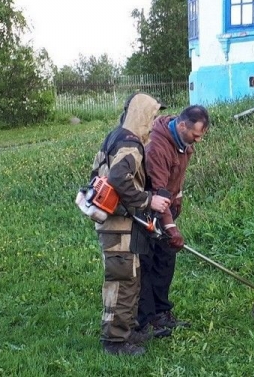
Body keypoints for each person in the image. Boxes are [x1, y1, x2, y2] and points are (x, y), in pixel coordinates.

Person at [89, 92, 171, 356]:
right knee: (123, 283)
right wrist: (149, 201)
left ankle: (127, 331)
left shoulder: (114, 136)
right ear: (141, 114)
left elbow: (97, 175)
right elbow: (118, 178)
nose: (153, 121)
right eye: (153, 115)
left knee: (126, 280)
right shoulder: (131, 144)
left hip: (115, 223)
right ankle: (115, 343)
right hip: (119, 226)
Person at [136, 105, 210, 333]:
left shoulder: (182, 141)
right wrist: (171, 227)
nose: (197, 141)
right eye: (195, 135)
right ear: (181, 125)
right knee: (146, 265)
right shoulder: (157, 148)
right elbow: (159, 191)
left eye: (201, 136)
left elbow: (174, 182)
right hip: (148, 210)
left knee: (165, 261)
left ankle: (161, 312)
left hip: (167, 209)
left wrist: (177, 205)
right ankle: (146, 320)